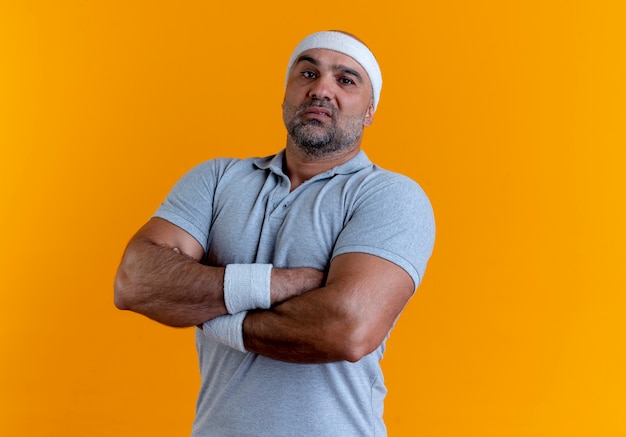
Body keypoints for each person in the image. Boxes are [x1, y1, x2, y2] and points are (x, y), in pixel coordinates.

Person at [114, 30, 435, 437]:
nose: (321, 89)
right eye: (307, 73)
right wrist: (284, 283)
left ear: (370, 110)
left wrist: (211, 316)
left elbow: (347, 329)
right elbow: (134, 281)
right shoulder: (217, 179)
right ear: (286, 93)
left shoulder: (390, 196)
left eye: (346, 80)